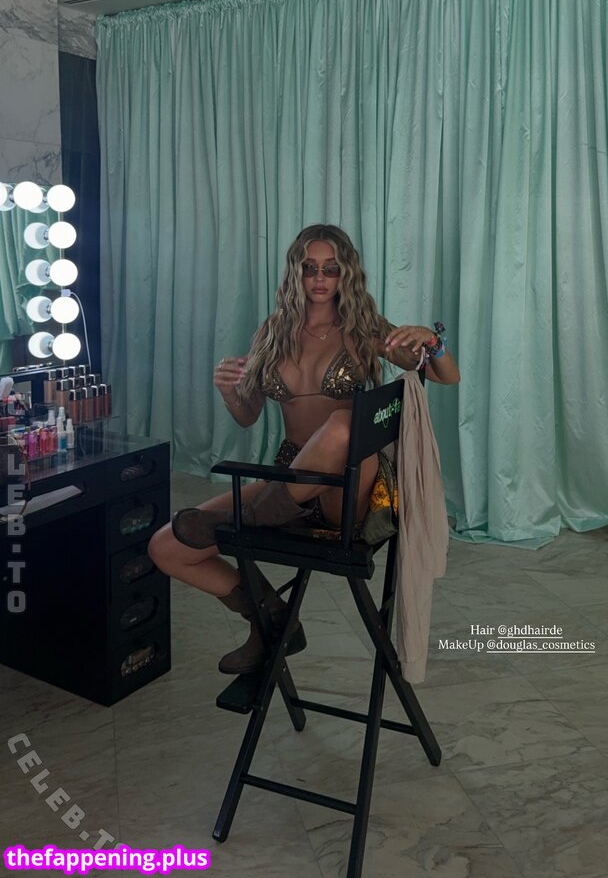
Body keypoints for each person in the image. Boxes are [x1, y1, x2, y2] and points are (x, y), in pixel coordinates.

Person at [148, 224, 460, 674]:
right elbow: (248, 415)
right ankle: (272, 618)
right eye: (310, 268)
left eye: (330, 269)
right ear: (295, 272)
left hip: (347, 487)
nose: (319, 278)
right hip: (292, 475)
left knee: (342, 425)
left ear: (345, 274)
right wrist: (229, 392)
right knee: (166, 546)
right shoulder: (273, 332)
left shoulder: (365, 329)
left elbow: (446, 376)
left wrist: (432, 342)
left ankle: (253, 518)